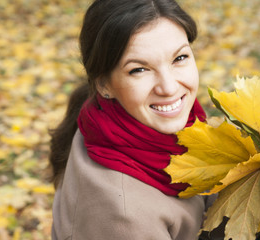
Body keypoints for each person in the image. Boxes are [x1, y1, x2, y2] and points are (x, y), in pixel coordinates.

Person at [49, 0, 211, 239]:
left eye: (179, 58)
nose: (168, 87)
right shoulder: (125, 219)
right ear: (104, 84)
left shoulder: (106, 121)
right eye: (139, 69)